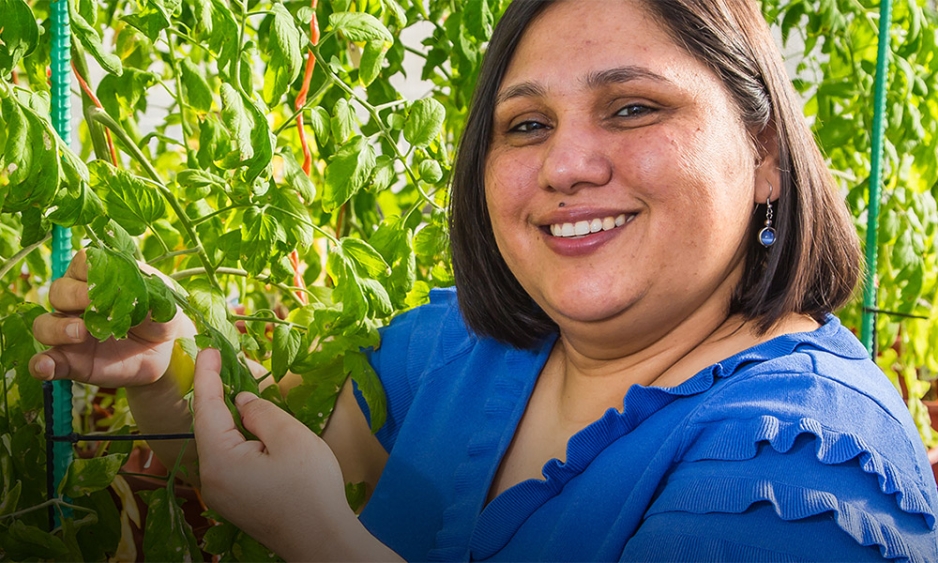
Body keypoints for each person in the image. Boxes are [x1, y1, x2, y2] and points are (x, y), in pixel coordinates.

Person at [29, 0, 938, 560]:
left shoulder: (807, 464)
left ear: (767, 154)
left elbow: (303, 517)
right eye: (527, 124)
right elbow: (269, 476)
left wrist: (323, 544)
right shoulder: (457, 346)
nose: (567, 165)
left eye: (633, 107)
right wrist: (173, 379)